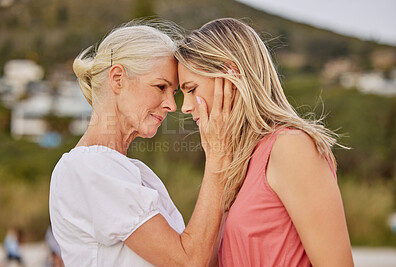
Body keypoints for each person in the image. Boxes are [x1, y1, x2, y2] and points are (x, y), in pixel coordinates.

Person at [49, 21, 233, 266]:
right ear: (117, 79)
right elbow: (188, 261)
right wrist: (218, 157)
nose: (172, 104)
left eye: (174, 92)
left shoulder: (127, 171)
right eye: (160, 87)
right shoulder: (89, 168)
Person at [175, 18, 354, 266]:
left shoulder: (291, 148)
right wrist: (216, 159)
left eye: (191, 89)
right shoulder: (235, 160)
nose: (184, 107)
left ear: (230, 74)